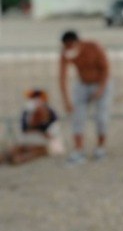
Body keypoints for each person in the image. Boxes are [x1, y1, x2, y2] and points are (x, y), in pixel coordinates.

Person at [59, 30, 112, 163]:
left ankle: (100, 147)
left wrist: (100, 89)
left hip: (101, 83)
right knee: (78, 117)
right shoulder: (66, 53)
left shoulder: (93, 47)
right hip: (82, 84)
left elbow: (106, 69)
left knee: (101, 117)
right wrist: (66, 101)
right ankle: (78, 149)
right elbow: (62, 77)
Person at [0, 90, 59, 165]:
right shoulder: (28, 111)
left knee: (33, 150)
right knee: (17, 149)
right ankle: (11, 158)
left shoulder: (49, 112)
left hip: (40, 142)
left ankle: (17, 159)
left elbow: (50, 134)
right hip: (31, 139)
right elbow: (25, 129)